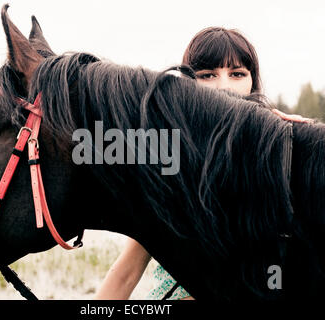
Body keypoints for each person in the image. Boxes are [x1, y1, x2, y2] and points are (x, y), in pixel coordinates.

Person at [94, 27, 309, 300]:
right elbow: (126, 271)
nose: (224, 86)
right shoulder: (168, 170)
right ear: (188, 84)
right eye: (208, 75)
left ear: (253, 83)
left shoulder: (281, 157)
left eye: (237, 74)